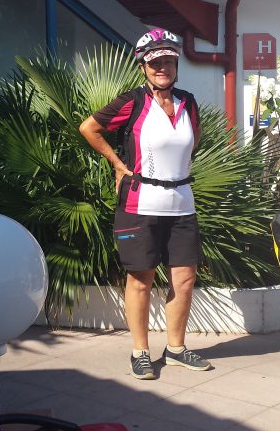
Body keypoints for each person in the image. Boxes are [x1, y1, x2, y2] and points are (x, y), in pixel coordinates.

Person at [78, 28, 211, 380]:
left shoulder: (188, 102)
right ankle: (140, 351)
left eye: (169, 61)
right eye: (155, 63)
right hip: (141, 201)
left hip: (182, 202)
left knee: (185, 279)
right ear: (143, 67)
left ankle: (176, 348)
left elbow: (194, 139)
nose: (162, 68)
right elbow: (88, 128)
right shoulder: (132, 101)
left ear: (176, 65)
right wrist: (117, 163)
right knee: (141, 278)